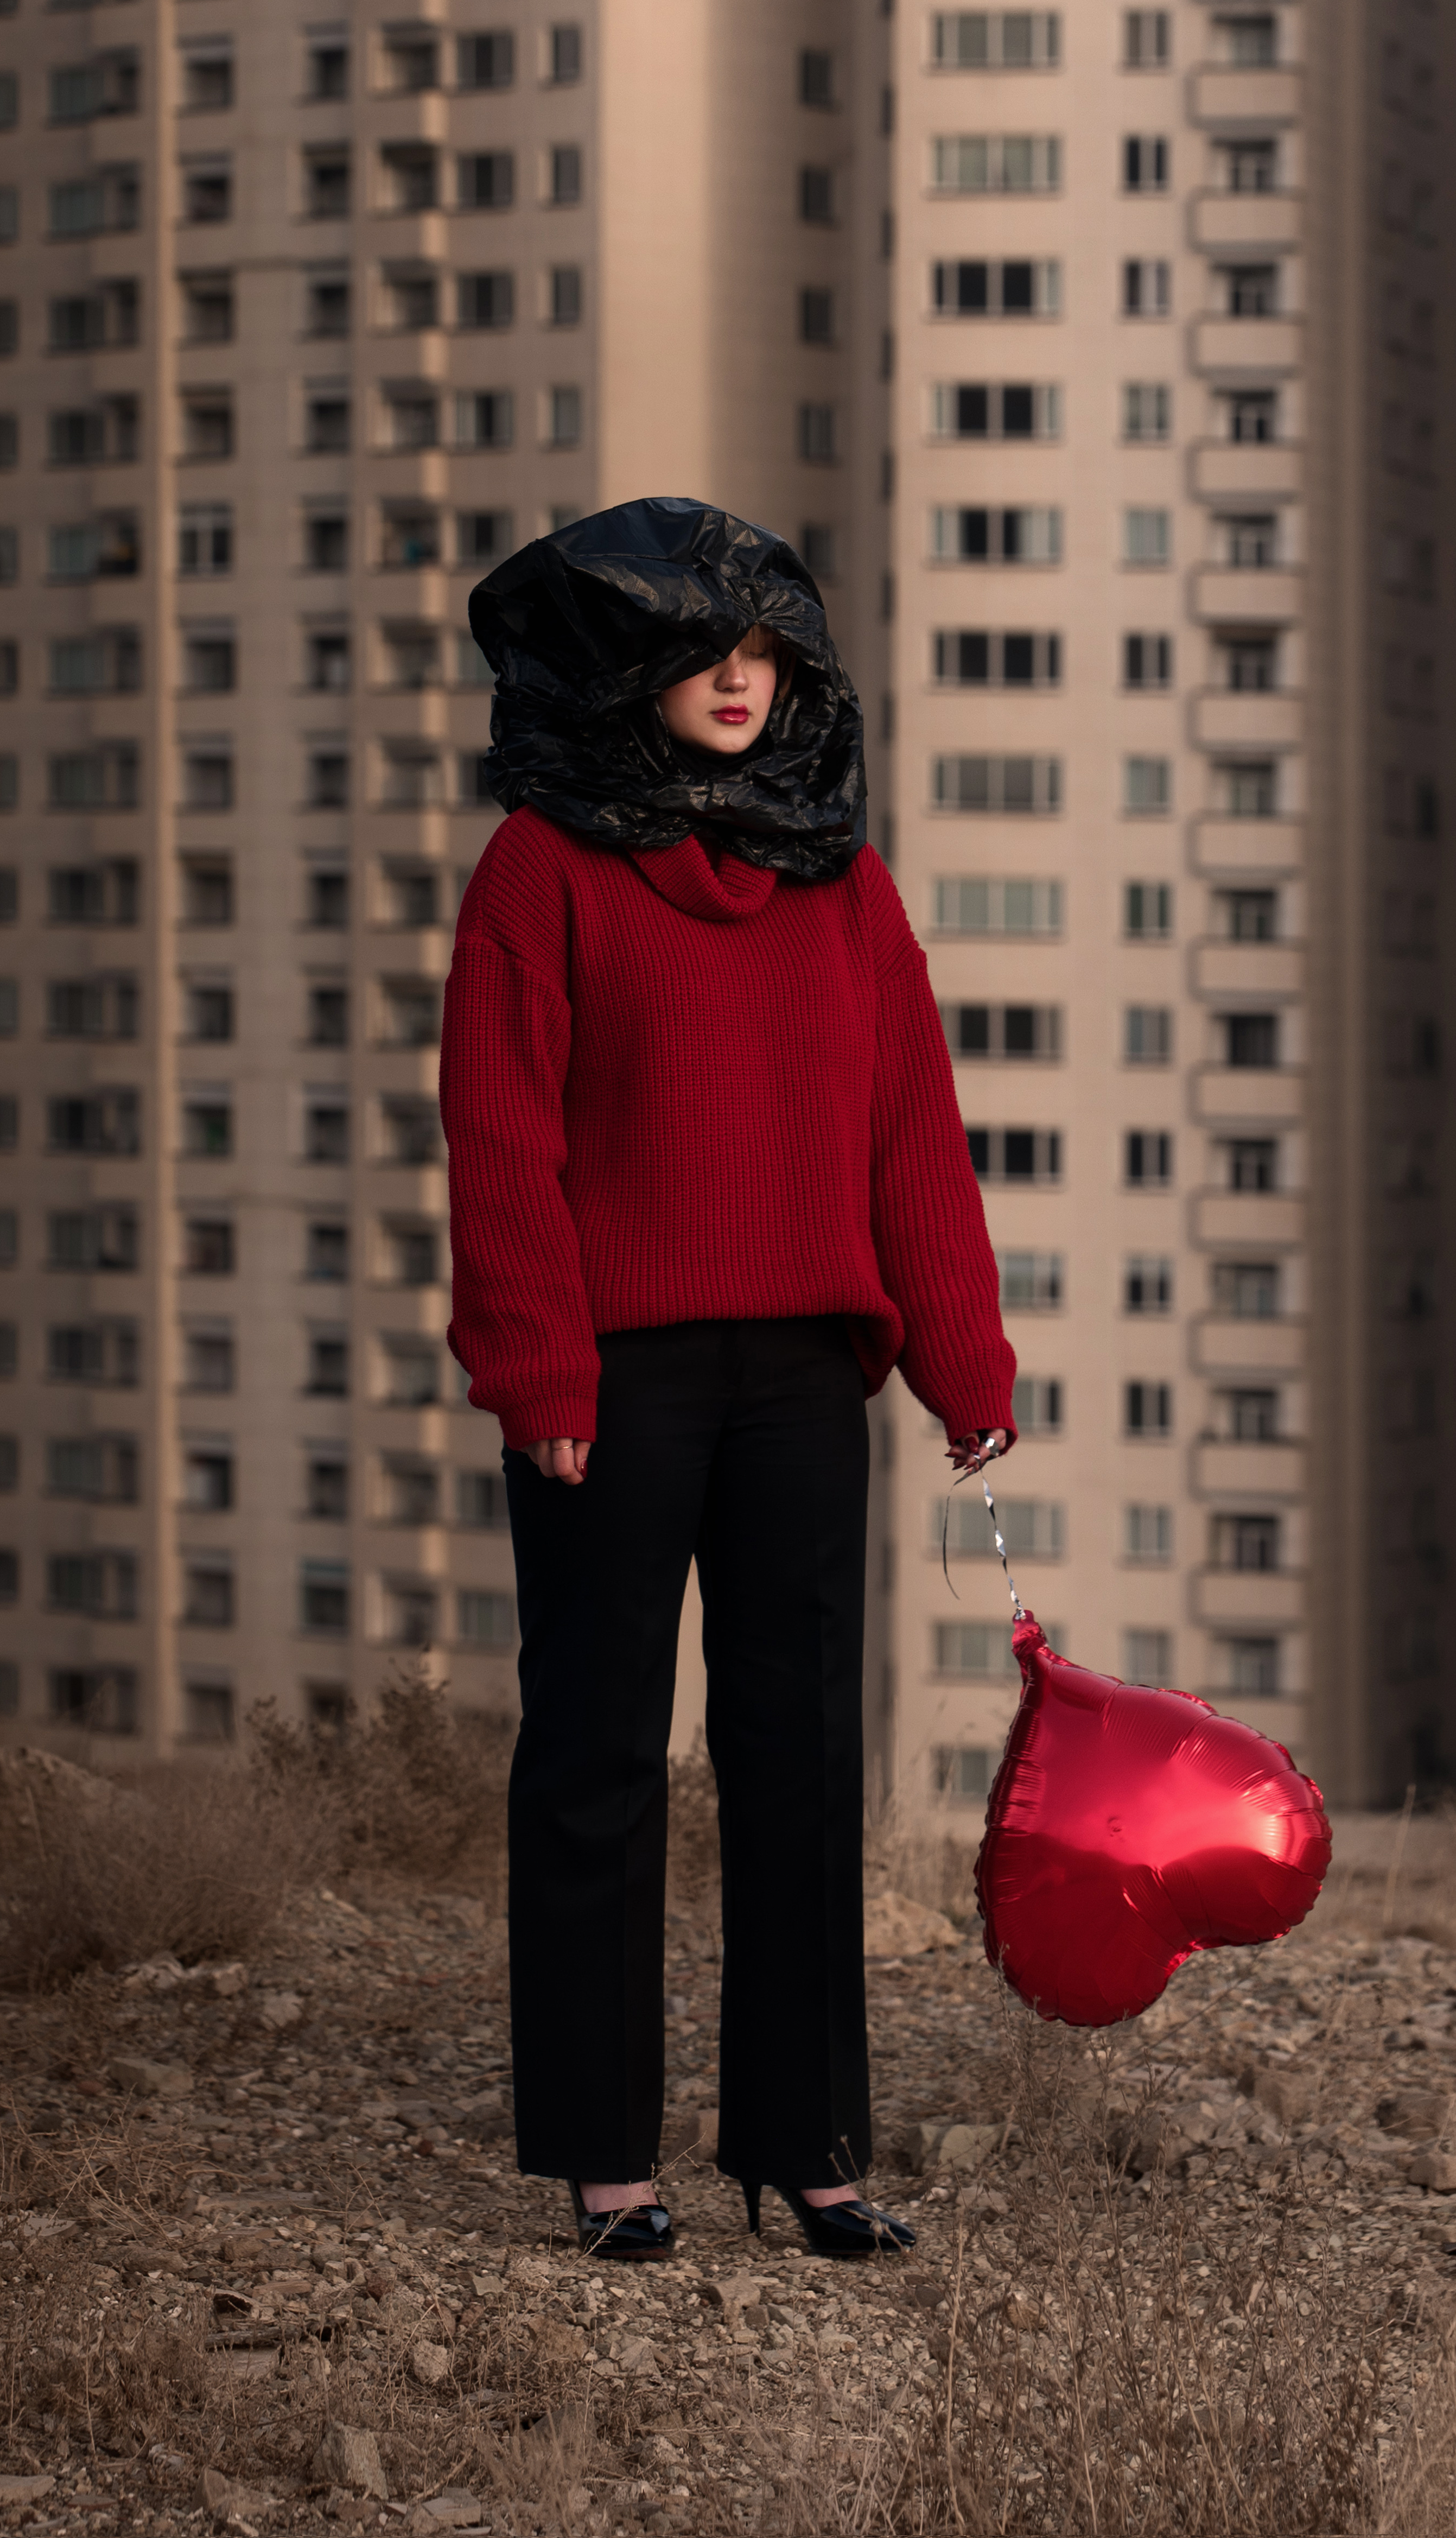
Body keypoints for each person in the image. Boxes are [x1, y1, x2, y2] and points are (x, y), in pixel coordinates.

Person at [439, 498, 1016, 2261]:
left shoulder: (844, 886)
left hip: (797, 1383)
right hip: (608, 1382)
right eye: (707, 655)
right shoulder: (541, 870)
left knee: (793, 1759)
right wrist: (534, 1362)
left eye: (765, 654)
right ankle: (609, 2162)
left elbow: (909, 1125)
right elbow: (500, 1135)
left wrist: (960, 1350)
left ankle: (809, 2149)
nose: (742, 682)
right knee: (599, 1758)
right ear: (637, 677)